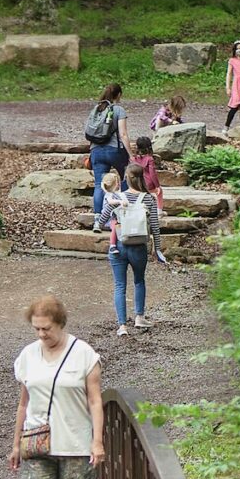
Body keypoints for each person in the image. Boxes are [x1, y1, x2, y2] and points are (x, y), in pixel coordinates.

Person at [8, 295, 104, 479]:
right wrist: (16, 444)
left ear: (60, 324)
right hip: (37, 442)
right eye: (36, 328)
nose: (41, 334)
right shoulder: (28, 355)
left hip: (75, 445)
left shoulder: (84, 354)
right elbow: (23, 404)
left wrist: (97, 442)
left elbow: (96, 401)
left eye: (46, 328)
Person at [99, 162, 166, 338]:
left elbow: (101, 220)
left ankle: (122, 326)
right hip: (139, 247)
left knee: (120, 285)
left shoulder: (118, 197)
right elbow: (155, 227)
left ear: (126, 179)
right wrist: (157, 249)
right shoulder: (149, 198)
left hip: (119, 245)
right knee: (139, 281)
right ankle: (139, 317)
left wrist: (109, 212)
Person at [88, 82, 133, 233]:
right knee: (125, 178)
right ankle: (127, 214)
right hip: (115, 150)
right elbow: (123, 134)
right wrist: (131, 155)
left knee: (99, 184)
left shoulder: (96, 109)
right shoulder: (118, 109)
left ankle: (97, 221)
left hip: (96, 150)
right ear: (118, 95)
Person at [132, 136, 164, 215]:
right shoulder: (149, 159)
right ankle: (159, 210)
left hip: (137, 183)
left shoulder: (133, 158)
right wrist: (157, 186)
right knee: (159, 192)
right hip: (148, 183)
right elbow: (152, 173)